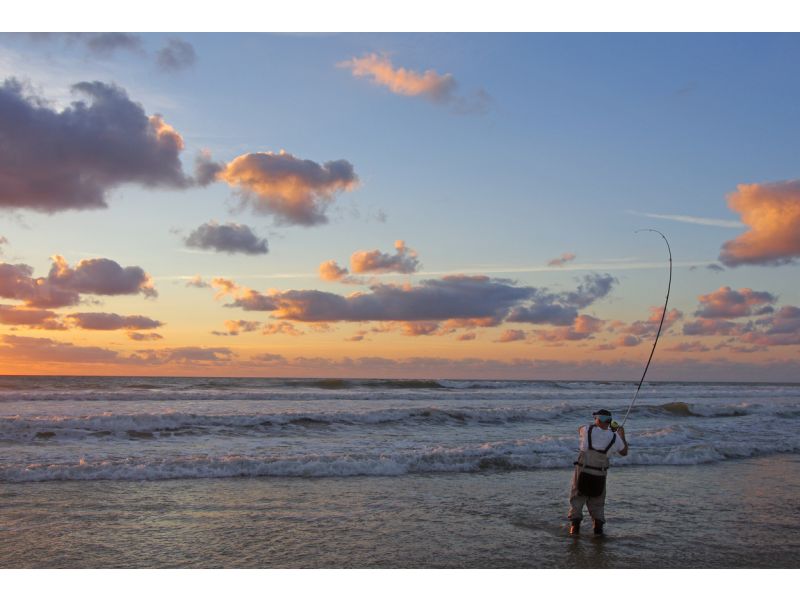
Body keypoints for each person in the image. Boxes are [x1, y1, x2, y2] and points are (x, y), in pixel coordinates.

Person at [567, 409, 628, 536]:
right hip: (599, 475)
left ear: (597, 419)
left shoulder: (587, 429)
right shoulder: (614, 437)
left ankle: (574, 529)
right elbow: (624, 452)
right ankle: (598, 531)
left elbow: (579, 429)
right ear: (610, 421)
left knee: (577, 499)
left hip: (583, 471)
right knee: (598, 503)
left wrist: (595, 425)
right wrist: (621, 434)